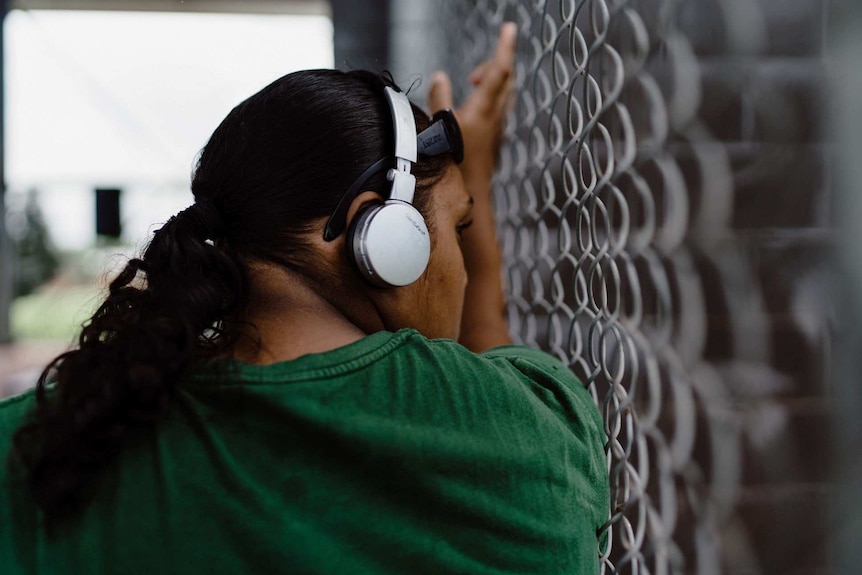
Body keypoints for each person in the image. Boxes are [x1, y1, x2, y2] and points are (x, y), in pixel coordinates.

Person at [0, 23, 608, 574]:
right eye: (457, 228)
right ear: (385, 237)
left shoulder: (48, 438)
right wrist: (474, 179)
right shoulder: (511, 435)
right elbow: (494, 359)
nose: (461, 268)